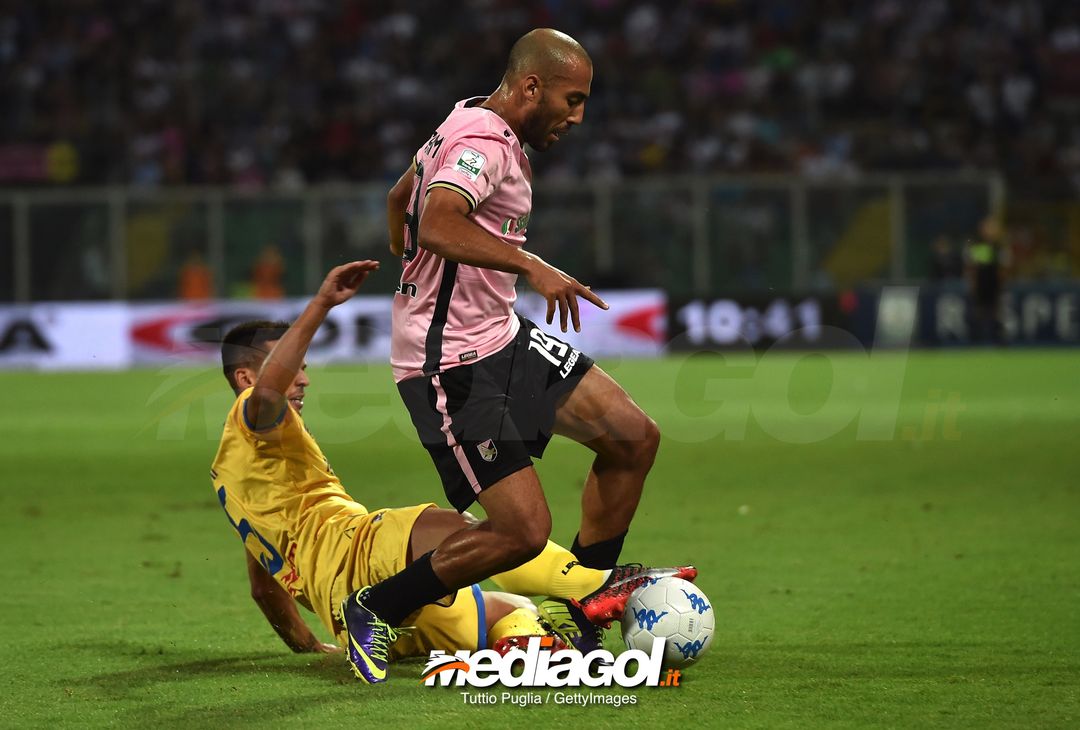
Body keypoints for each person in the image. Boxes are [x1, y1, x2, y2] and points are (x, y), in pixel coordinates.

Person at [341, 29, 691, 682]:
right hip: (449, 363)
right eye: (573, 98)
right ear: (532, 86)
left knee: (632, 437)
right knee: (523, 532)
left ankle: (582, 606)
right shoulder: (480, 140)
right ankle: (372, 607)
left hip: (502, 336)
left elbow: (402, 201)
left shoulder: (464, 119)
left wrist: (402, 251)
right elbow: (439, 222)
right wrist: (531, 266)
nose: (578, 116)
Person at [212, 261, 658, 679]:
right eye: (290, 369)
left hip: (348, 617)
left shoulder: (238, 480)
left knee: (508, 608)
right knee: (476, 529)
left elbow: (263, 587)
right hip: (356, 554)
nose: (302, 379)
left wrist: (309, 646)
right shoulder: (254, 414)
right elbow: (270, 393)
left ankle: (538, 643)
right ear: (247, 380)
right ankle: (593, 582)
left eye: (303, 369)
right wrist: (322, 304)